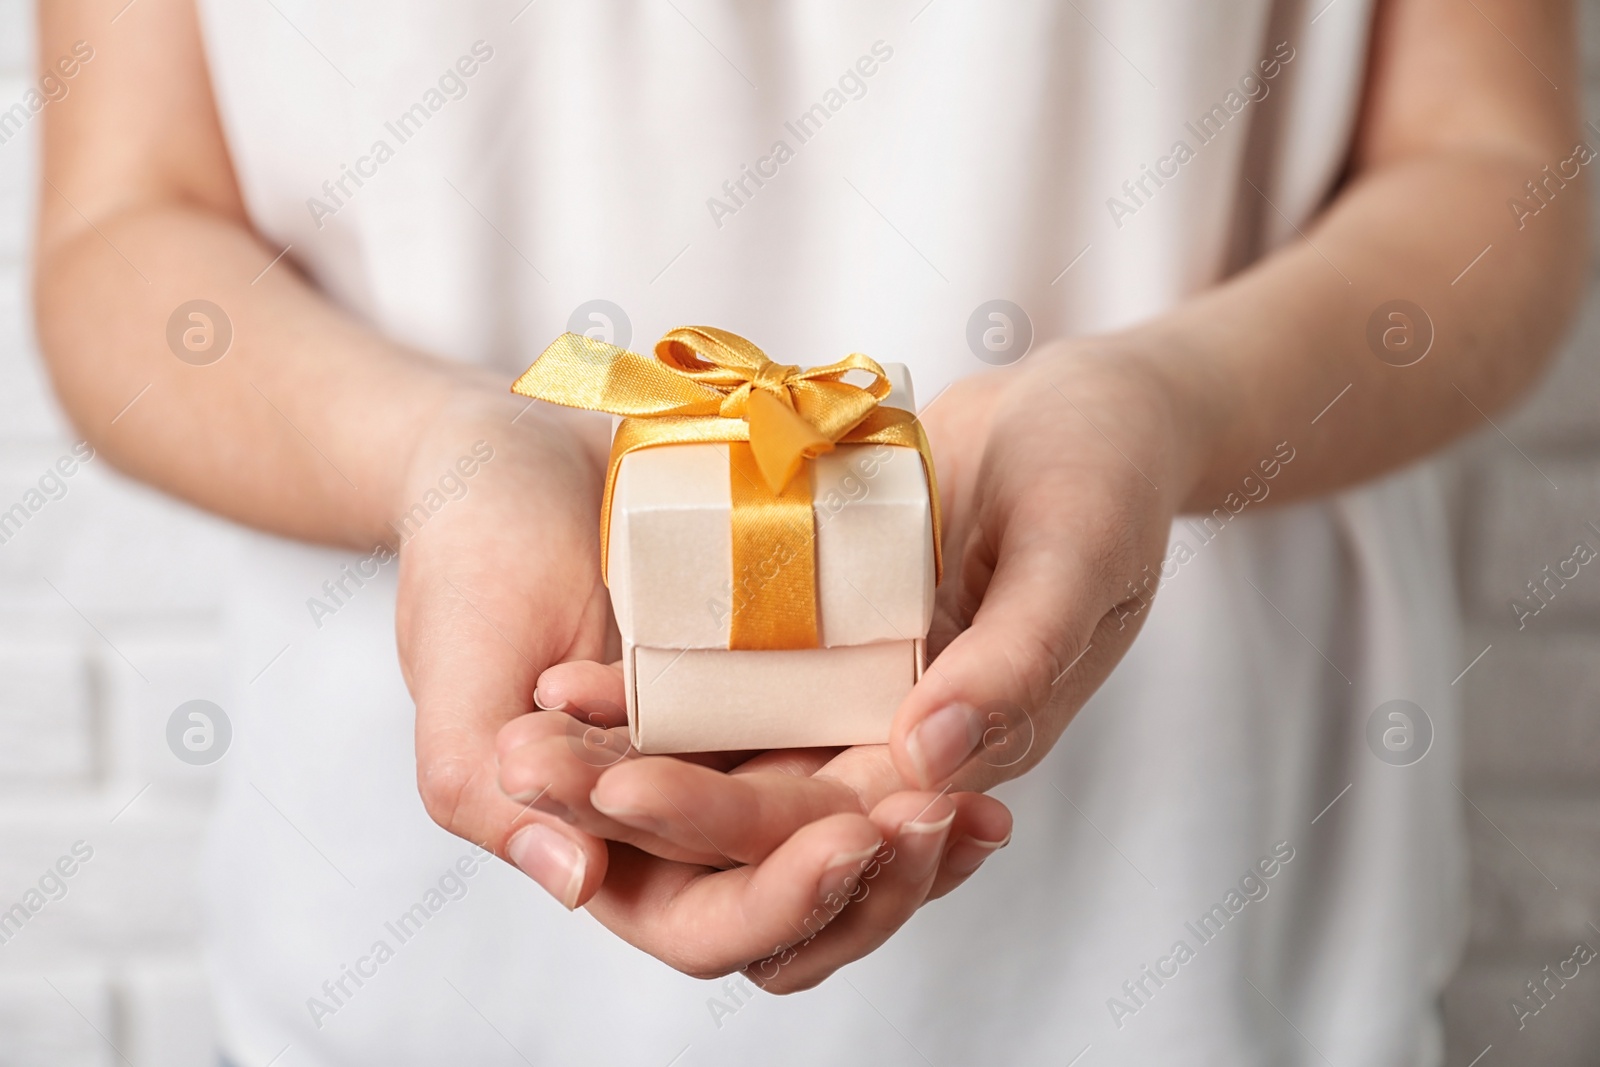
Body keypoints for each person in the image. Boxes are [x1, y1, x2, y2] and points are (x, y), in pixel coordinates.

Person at [34, 0, 1585, 1063]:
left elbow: (1489, 168)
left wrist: (1167, 403)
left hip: (1205, 953)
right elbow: (124, 230)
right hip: (415, 972)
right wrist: (440, 453)